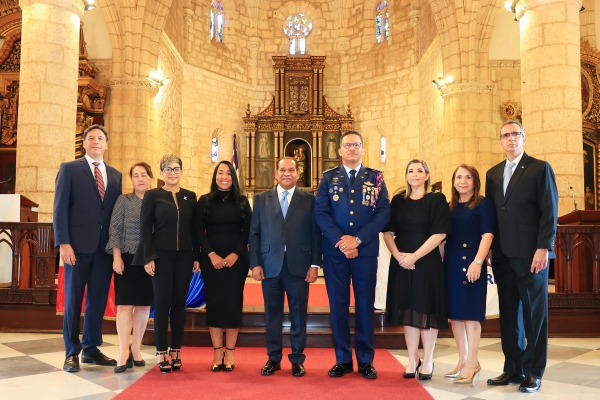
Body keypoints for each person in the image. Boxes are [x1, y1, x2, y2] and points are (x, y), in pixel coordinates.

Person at [485, 120, 558, 393]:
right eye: (505, 135)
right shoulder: (492, 174)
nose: (511, 139)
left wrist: (543, 247)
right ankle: (512, 368)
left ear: (524, 139)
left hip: (531, 255)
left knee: (533, 316)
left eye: (516, 134)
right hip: (502, 255)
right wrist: (490, 246)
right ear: (500, 142)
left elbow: (549, 211)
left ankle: (533, 372)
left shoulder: (539, 168)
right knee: (508, 315)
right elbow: (492, 214)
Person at [314, 130, 390, 380]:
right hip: (336, 253)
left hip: (365, 251)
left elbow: (383, 213)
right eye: (347, 145)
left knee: (365, 305)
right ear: (339, 151)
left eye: (356, 145)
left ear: (363, 148)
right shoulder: (327, 178)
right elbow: (321, 213)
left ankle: (366, 360)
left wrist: (357, 239)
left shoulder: (376, 178)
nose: (352, 149)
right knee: (338, 306)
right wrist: (341, 241)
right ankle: (343, 359)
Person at [53, 124, 122, 372]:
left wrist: (117, 248)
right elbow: (59, 208)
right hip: (76, 248)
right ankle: (71, 352)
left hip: (103, 250)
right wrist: (63, 243)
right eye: (91, 138)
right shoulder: (70, 169)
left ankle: (91, 349)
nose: (96, 141)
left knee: (97, 300)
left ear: (106, 144)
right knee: (73, 300)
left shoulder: (115, 175)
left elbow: (115, 215)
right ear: (84, 143)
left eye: (100, 138)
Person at [249, 157, 322, 377]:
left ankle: (297, 359)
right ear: (276, 172)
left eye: (291, 170)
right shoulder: (261, 199)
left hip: (299, 267)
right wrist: (255, 264)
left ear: (298, 174)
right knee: (272, 315)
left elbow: (315, 234)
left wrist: (314, 264)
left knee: (299, 315)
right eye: (283, 170)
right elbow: (254, 233)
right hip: (269, 265)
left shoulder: (309, 200)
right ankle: (273, 358)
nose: (287, 173)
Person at [383, 159, 450, 381]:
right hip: (402, 262)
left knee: (427, 308)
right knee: (408, 309)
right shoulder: (398, 201)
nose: (414, 174)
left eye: (419, 170)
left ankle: (428, 358)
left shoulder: (436, 199)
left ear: (427, 176)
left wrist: (414, 256)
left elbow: (440, 233)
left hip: (427, 262)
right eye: (411, 171)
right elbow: (387, 232)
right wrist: (398, 255)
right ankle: (412, 359)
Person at [133, 154, 200, 373]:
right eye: (168, 169)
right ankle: (161, 350)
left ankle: (177, 349)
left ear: (181, 171)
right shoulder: (153, 196)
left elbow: (195, 230)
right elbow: (145, 229)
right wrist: (148, 257)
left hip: (185, 257)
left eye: (176, 168)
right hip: (160, 256)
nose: (173, 172)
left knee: (180, 304)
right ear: (161, 173)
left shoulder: (191, 197)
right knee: (162, 303)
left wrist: (197, 256)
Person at [195, 160, 251, 372]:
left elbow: (247, 230)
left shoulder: (242, 201)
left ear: (233, 177)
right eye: (220, 173)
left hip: (237, 262)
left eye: (228, 173)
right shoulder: (205, 201)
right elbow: (199, 230)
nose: (224, 177)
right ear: (215, 176)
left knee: (233, 303)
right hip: (211, 261)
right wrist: (211, 254)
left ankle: (230, 352)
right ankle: (217, 351)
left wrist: (236, 253)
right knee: (215, 303)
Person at [442, 164, 496, 383]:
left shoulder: (483, 204)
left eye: (467, 177)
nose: (462, 181)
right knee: (455, 315)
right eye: (458, 177)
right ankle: (463, 359)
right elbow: (443, 237)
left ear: (475, 181)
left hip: (472, 263)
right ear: (453, 181)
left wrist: (478, 262)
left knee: (471, 314)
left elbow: (488, 235)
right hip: (452, 263)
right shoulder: (449, 207)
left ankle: (473, 361)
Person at [106, 162, 155, 373]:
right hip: (127, 258)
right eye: (135, 175)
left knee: (144, 306)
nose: (140, 179)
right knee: (125, 306)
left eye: (144, 175)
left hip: (150, 260)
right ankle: (123, 352)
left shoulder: (158, 200)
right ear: (132, 180)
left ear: (151, 178)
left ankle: (136, 349)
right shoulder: (124, 200)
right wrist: (117, 256)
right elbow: (115, 229)